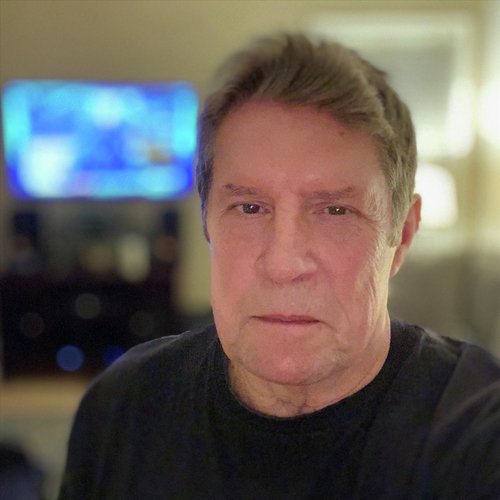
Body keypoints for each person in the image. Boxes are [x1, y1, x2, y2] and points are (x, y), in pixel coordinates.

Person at [58, 33, 500, 499]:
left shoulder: (480, 437)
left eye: (335, 211)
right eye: (249, 208)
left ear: (403, 235)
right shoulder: (121, 410)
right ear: (207, 223)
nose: (284, 264)